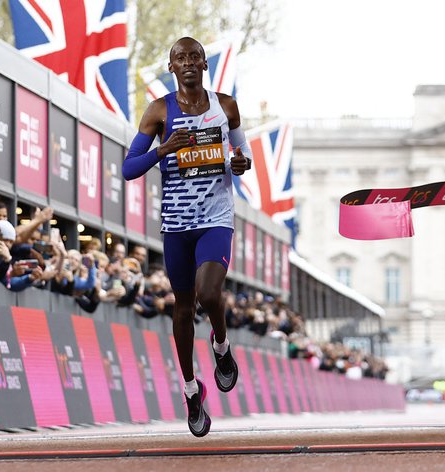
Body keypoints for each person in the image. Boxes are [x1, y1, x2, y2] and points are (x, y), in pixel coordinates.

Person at [123, 37, 251, 437]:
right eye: (181, 58)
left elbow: (242, 156)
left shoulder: (225, 106)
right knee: (183, 307)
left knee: (209, 294)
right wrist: (163, 150)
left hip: (216, 217)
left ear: (205, 65)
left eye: (196, 57)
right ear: (171, 67)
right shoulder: (160, 111)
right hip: (177, 225)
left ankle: (221, 347)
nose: (189, 63)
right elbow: (128, 169)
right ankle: (192, 390)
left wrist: (241, 163)